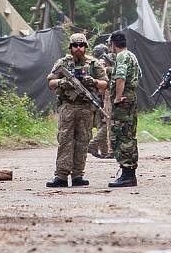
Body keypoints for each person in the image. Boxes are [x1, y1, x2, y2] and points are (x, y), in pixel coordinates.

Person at [46, 32, 108, 188]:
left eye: (81, 45)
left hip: (86, 107)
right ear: (71, 47)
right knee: (65, 141)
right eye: (75, 45)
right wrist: (62, 81)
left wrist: (93, 81)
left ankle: (78, 175)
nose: (78, 48)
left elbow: (105, 84)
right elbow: (50, 82)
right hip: (67, 106)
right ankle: (61, 176)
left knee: (83, 141)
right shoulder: (63, 63)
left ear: (85, 47)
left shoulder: (94, 64)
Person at [108, 30, 140, 187]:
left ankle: (127, 175)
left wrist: (117, 97)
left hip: (123, 101)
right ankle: (129, 173)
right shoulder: (132, 56)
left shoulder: (121, 56)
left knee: (122, 136)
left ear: (113, 44)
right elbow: (138, 75)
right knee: (129, 134)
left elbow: (120, 77)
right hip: (131, 98)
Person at [88, 43, 114, 159]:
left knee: (101, 124)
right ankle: (93, 144)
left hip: (96, 97)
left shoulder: (91, 63)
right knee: (106, 124)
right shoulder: (100, 64)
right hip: (101, 97)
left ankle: (104, 151)